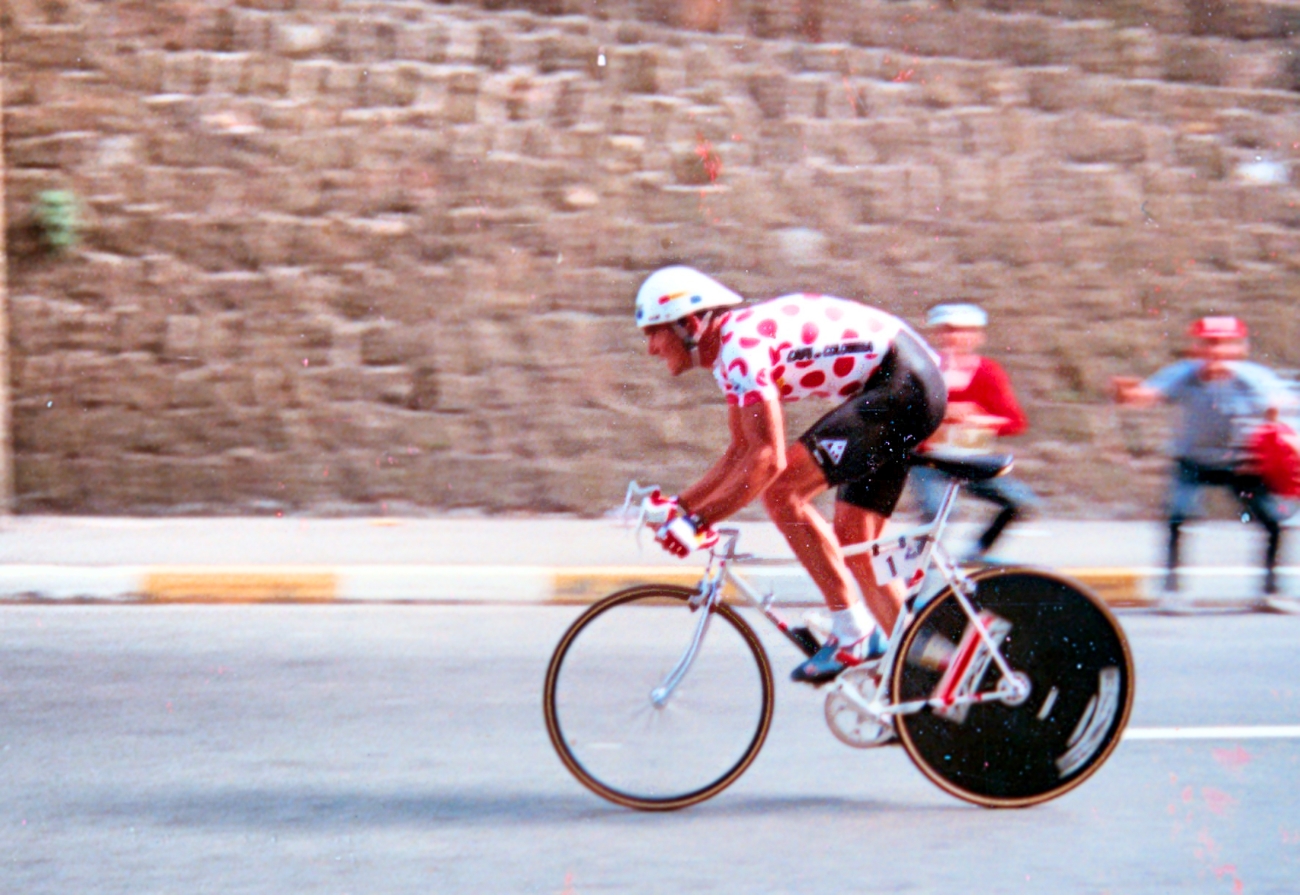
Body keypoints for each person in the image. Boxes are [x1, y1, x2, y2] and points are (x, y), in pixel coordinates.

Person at [634, 266, 946, 683]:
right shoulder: (730, 354)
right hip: (903, 383)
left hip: (903, 384)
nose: (651, 348)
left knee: (783, 492)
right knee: (856, 538)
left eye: (654, 332)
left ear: (689, 324)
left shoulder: (740, 348)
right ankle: (916, 683)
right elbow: (739, 451)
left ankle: (854, 634)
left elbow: (768, 459)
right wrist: (682, 507)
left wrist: (698, 521)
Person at [1112, 315, 1294, 608]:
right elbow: (1148, 394)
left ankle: (1270, 592)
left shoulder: (1252, 378)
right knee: (1177, 517)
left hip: (1240, 464)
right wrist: (1127, 394)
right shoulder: (1183, 374)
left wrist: (1266, 438)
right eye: (1207, 344)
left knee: (1272, 521)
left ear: (1239, 348)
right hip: (1192, 462)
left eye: (1223, 344)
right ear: (1195, 348)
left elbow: (1280, 405)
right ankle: (1172, 592)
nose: (1215, 352)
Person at [908, 303, 1038, 562]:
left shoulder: (988, 372)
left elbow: (1015, 421)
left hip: (971, 459)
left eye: (965, 331)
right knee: (937, 513)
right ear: (936, 334)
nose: (956, 338)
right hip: (929, 460)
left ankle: (977, 552)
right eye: (948, 331)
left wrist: (979, 419)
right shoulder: (923, 369)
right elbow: (901, 416)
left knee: (1020, 502)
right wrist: (939, 415)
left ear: (979, 337)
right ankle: (917, 567)